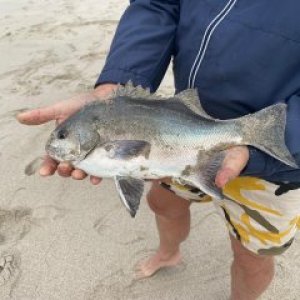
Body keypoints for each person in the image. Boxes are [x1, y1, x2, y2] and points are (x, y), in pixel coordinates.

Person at [17, 1, 300, 299]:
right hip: (185, 144)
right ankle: (169, 253)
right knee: (164, 204)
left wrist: (285, 135)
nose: (58, 141)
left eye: (63, 135)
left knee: (252, 255)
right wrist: (115, 83)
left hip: (281, 163)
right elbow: (157, 5)